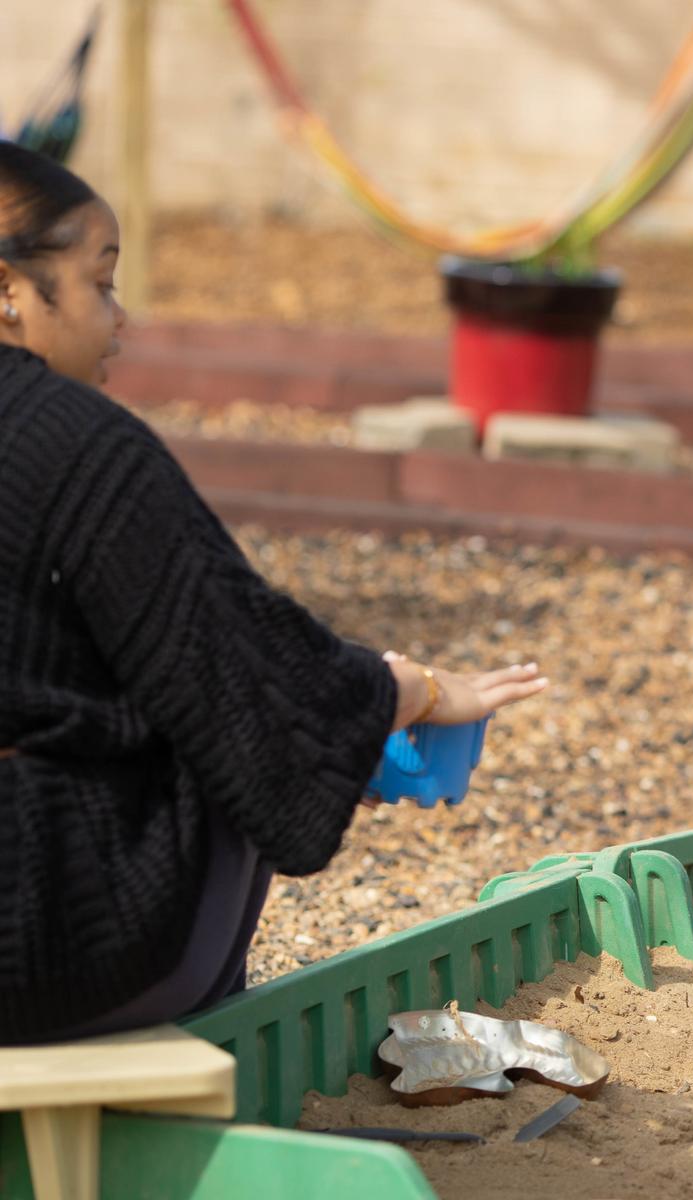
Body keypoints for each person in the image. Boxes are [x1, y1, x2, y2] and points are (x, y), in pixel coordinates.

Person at [0, 143, 548, 1045]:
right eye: (100, 284)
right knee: (236, 744)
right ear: (11, 292)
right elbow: (243, 670)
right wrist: (412, 692)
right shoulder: (77, 444)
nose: (120, 317)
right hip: (39, 954)